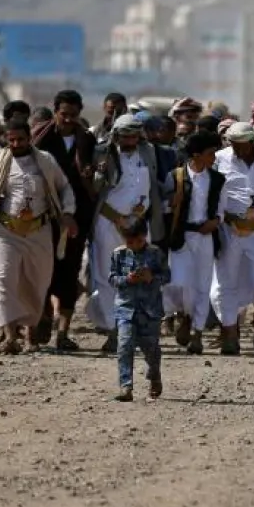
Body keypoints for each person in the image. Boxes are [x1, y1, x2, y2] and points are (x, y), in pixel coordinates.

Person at [0, 118, 78, 355]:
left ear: (30, 139)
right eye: (11, 140)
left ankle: (31, 336)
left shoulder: (45, 161)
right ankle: (9, 336)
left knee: (36, 283)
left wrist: (68, 213)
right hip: (6, 231)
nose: (16, 144)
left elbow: (65, 188)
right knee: (3, 281)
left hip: (39, 230)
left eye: (20, 139)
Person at [90, 114, 165, 352]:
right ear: (116, 135)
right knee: (108, 276)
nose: (130, 139)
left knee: (141, 276)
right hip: (108, 222)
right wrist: (118, 218)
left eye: (134, 135)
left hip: (139, 225)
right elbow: (95, 192)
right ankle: (115, 331)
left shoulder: (148, 152)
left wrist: (141, 213)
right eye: (125, 135)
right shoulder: (103, 152)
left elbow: (151, 185)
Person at [34, 90, 97, 350]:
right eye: (64, 114)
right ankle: (44, 317)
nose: (68, 120)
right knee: (43, 270)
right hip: (44, 216)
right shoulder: (40, 138)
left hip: (76, 217)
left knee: (69, 271)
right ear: (55, 112)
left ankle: (63, 332)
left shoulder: (87, 140)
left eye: (73, 115)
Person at [212, 122, 254, 355]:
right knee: (224, 283)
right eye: (234, 145)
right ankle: (230, 332)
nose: (238, 150)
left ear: (253, 142)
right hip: (229, 230)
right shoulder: (220, 159)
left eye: (242, 145)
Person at [161, 128, 223, 354]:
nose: (214, 157)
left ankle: (197, 332)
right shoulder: (176, 176)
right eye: (210, 153)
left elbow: (221, 208)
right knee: (178, 282)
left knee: (202, 285)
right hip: (181, 237)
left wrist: (216, 221)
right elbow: (164, 206)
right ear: (196, 155)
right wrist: (172, 202)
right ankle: (183, 315)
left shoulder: (217, 179)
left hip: (204, 236)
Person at [108, 217, 168, 401]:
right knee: (124, 346)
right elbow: (112, 278)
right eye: (130, 242)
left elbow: (167, 275)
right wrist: (127, 280)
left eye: (138, 241)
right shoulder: (118, 254)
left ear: (145, 236)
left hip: (150, 311)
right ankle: (126, 387)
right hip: (126, 309)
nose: (134, 245)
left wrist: (152, 277)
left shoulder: (155, 253)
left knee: (150, 349)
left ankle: (154, 375)